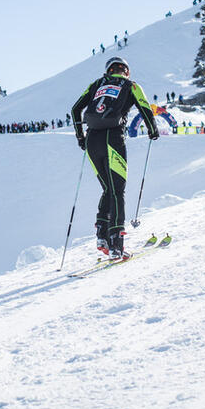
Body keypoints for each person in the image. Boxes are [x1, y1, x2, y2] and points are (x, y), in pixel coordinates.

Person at [71, 57, 158, 260]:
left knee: (108, 189)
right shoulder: (131, 85)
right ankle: (117, 245)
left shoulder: (96, 85)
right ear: (126, 71)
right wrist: (153, 130)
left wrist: (80, 137)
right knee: (117, 190)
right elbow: (145, 107)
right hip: (113, 139)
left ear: (108, 71)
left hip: (92, 140)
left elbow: (75, 109)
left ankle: (102, 235)